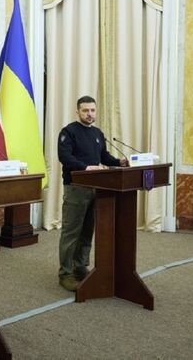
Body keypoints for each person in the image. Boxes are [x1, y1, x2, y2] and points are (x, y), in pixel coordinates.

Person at [57, 96, 128, 291]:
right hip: (76, 188)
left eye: (92, 110)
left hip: (96, 188)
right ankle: (66, 274)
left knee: (88, 230)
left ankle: (80, 267)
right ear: (78, 112)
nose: (89, 114)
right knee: (71, 232)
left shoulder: (97, 133)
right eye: (85, 110)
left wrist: (118, 162)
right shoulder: (68, 132)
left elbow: (103, 156)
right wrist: (85, 167)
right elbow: (64, 157)